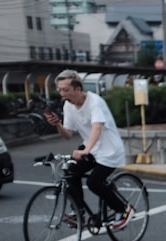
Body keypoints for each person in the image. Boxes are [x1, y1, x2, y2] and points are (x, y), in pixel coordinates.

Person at [46, 70, 132, 230]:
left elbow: (97, 127)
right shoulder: (68, 105)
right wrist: (58, 124)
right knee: (70, 174)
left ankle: (124, 209)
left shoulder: (95, 102)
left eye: (66, 90)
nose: (62, 94)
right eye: (60, 90)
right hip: (91, 148)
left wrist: (86, 151)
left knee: (94, 183)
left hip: (109, 150)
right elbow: (68, 134)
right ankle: (78, 212)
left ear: (78, 89)